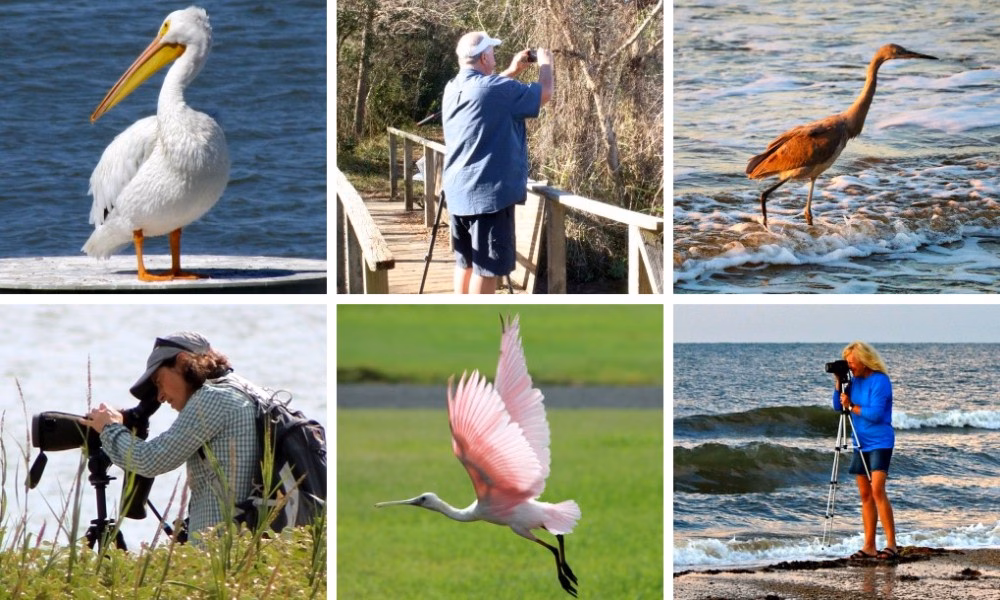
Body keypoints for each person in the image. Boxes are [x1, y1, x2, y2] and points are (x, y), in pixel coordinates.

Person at [82, 332, 266, 541]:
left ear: (182, 361)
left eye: (159, 381)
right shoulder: (247, 391)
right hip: (247, 546)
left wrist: (109, 428)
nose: (159, 396)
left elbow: (149, 460)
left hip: (220, 557)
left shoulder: (213, 397)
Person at [442, 31, 554, 294]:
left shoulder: (453, 87)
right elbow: (544, 94)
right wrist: (546, 63)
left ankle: (462, 321)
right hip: (487, 196)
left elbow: (486, 91)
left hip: (458, 193)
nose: (494, 54)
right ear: (483, 57)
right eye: (491, 51)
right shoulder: (495, 89)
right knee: (487, 269)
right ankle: (478, 326)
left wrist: (512, 70)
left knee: (466, 263)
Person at [832, 340, 898, 560]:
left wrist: (851, 405)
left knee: (877, 490)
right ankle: (869, 545)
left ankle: (891, 545)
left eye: (852, 362)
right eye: (847, 362)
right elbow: (836, 406)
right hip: (860, 441)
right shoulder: (853, 381)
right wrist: (839, 383)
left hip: (880, 441)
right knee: (865, 494)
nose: (849, 366)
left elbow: (876, 414)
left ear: (864, 360)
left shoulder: (881, 381)